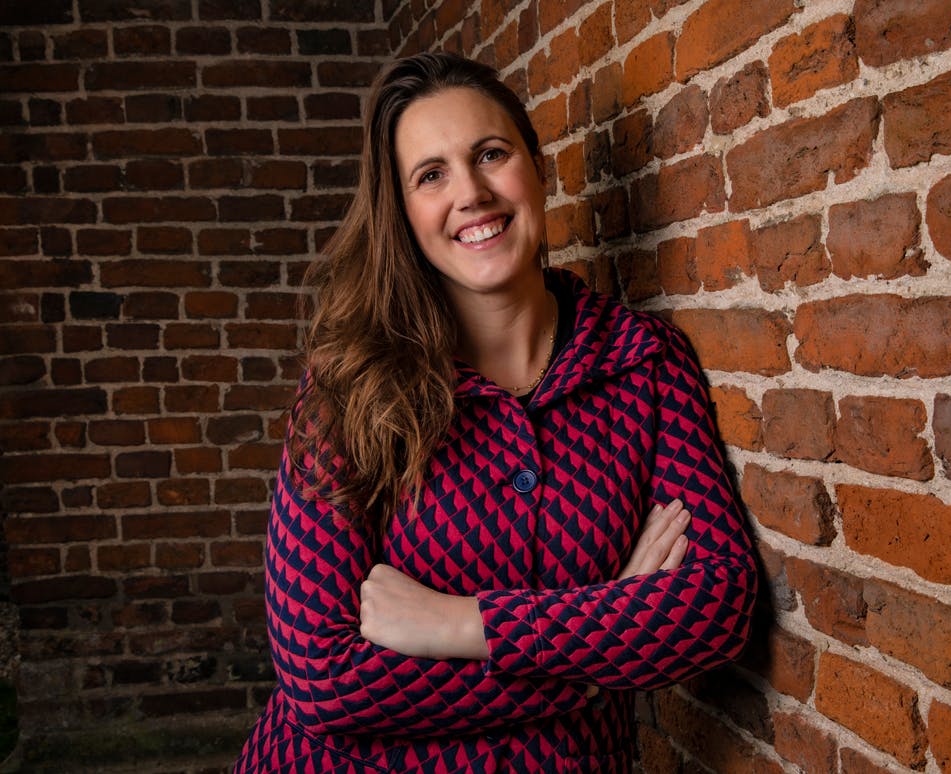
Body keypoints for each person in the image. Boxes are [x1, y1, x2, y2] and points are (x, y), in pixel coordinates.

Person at [233, 51, 757, 773]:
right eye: (431, 175)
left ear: (535, 168)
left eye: (489, 154)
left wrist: (464, 625)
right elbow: (323, 680)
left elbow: (714, 605)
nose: (472, 193)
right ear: (403, 211)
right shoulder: (348, 387)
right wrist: (608, 633)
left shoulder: (644, 364)